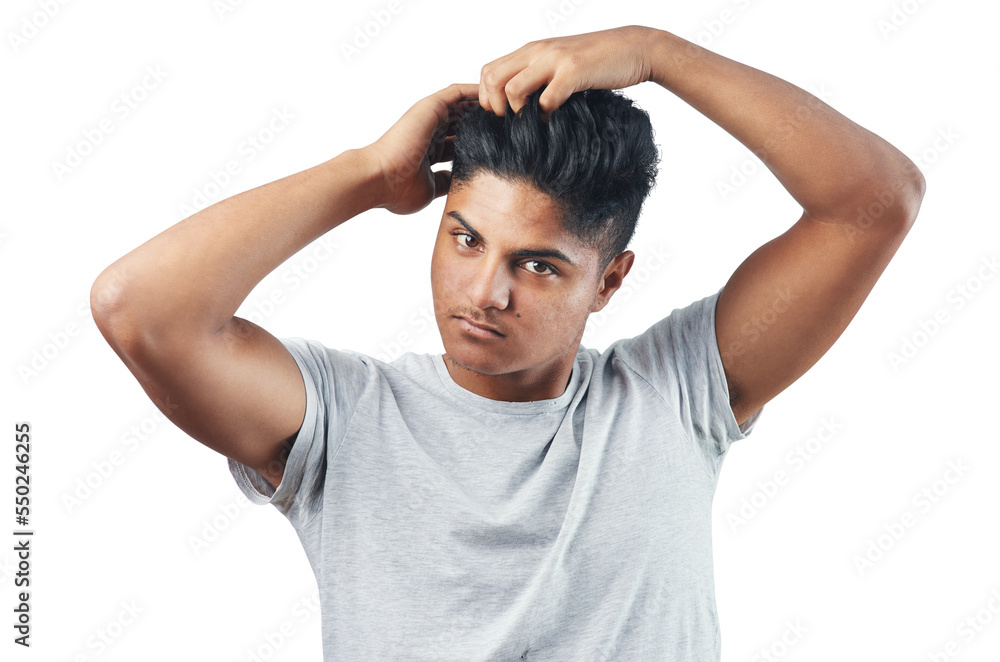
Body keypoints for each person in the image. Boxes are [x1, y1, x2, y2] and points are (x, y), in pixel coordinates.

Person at [90, 24, 925, 661]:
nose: (484, 291)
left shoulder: (677, 392)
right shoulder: (345, 419)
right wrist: (369, 173)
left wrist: (655, 53)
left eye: (537, 265)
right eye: (465, 239)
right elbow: (138, 309)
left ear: (609, 281)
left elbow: (877, 202)